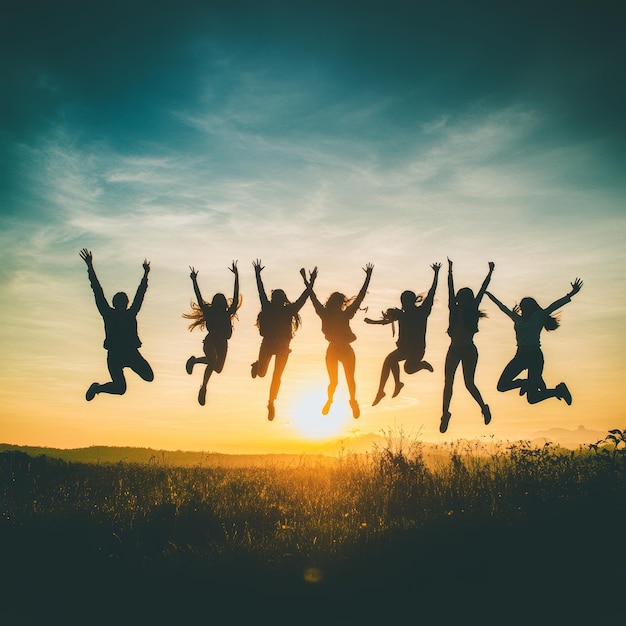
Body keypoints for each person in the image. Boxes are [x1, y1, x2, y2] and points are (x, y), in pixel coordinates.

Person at [486, 277, 583, 406]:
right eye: (521, 308)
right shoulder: (517, 319)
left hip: (534, 356)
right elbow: (502, 307)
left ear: (530, 308)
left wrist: (571, 294)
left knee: (532, 398)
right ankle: (525, 383)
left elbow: (554, 305)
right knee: (502, 386)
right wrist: (486, 294)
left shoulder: (538, 316)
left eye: (524, 307)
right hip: (520, 356)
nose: (521, 310)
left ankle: (558, 391)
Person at [79, 248, 154, 400]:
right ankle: (97, 388)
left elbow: (140, 295)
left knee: (149, 376)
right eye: (119, 302)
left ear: (126, 304)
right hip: (115, 355)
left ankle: (101, 386)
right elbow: (97, 291)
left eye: (124, 301)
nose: (122, 304)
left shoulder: (129, 313)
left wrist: (145, 275)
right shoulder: (109, 314)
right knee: (120, 388)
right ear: (115, 303)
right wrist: (90, 267)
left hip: (131, 353)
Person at [303, 263, 374, 418]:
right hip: (337, 349)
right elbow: (313, 297)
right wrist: (307, 281)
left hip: (340, 349)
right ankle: (332, 400)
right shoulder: (335, 314)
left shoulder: (331, 313)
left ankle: (351, 401)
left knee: (345, 380)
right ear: (338, 303)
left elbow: (359, 298)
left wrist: (308, 281)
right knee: (338, 381)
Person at [365, 262, 441, 406]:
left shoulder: (422, 312)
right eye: (403, 302)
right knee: (389, 361)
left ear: (411, 301)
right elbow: (387, 322)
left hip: (417, 350)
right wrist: (372, 322)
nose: (404, 304)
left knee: (409, 369)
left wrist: (436, 274)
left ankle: (421, 366)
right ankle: (385, 389)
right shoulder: (402, 315)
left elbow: (432, 293)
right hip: (405, 349)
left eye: (406, 301)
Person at [251, 260, 317, 421]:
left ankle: (271, 402)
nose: (277, 299)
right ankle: (257, 366)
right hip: (268, 344)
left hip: (282, 346)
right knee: (261, 374)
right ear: (274, 299)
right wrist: (257, 274)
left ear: (282, 299)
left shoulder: (289, 310)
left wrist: (311, 282)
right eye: (276, 297)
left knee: (277, 376)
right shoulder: (268, 307)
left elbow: (304, 298)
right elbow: (260, 292)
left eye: (279, 297)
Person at [439, 259, 494, 434]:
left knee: (469, 383)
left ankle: (484, 408)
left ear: (468, 298)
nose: (460, 298)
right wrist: (450, 271)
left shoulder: (472, 309)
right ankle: (445, 415)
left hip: (469, 350)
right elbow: (450, 290)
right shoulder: (453, 310)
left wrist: (490, 273)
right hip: (454, 349)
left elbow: (482, 290)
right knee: (448, 383)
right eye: (460, 296)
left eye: (464, 296)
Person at [183, 262, 240, 406]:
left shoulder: (228, 312)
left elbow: (235, 295)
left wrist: (236, 276)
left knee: (218, 369)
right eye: (218, 302)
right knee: (213, 360)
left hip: (222, 344)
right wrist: (194, 280)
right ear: (215, 303)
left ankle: (194, 361)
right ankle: (203, 388)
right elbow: (199, 297)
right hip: (210, 341)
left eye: (222, 302)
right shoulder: (209, 312)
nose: (221, 304)